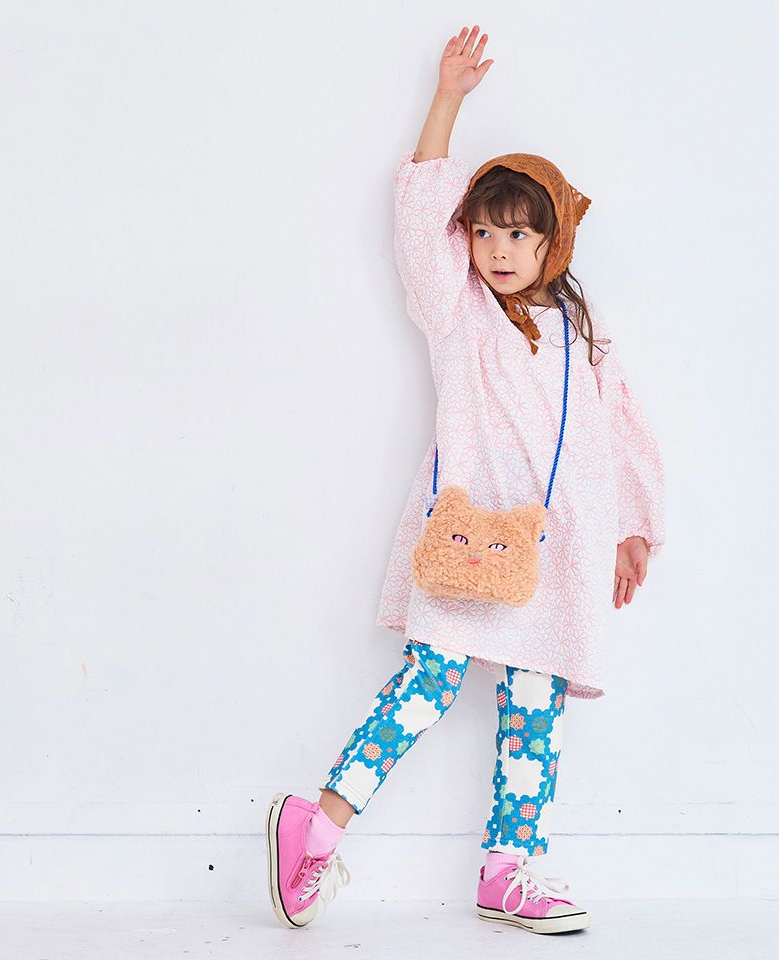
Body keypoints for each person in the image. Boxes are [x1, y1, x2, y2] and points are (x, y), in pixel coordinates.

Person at [265, 24, 666, 936]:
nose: (497, 248)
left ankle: (508, 871)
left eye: (518, 232)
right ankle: (314, 829)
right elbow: (421, 219)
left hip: (555, 551)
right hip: (467, 538)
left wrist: (632, 526)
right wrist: (446, 99)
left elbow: (621, 430)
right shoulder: (458, 312)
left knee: (535, 709)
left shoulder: (581, 335)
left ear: (554, 240)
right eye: (484, 231)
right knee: (428, 684)